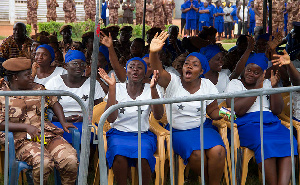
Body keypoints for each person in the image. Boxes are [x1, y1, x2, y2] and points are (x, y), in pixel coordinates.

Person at [150, 31, 226, 184]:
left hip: (203, 128)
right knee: (197, 155)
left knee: (218, 151)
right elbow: (157, 69)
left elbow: (212, 111)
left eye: (194, 65)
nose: (189, 66)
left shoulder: (207, 85)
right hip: (179, 131)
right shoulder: (172, 82)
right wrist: (153, 52)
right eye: (187, 64)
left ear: (202, 71)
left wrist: (227, 113)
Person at [0, 57, 78, 184]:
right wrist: (26, 128)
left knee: (70, 159)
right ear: (15, 78)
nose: (32, 77)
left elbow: (54, 102)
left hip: (46, 134)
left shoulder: (38, 89)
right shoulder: (2, 95)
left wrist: (63, 122)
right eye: (27, 75)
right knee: (43, 162)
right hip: (20, 139)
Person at [225, 53, 298, 185]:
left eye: (256, 72)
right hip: (247, 124)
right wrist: (258, 88)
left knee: (290, 141)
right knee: (265, 143)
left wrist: (274, 88)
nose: (250, 74)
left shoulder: (267, 83)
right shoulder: (235, 84)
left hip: (270, 121)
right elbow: (239, 111)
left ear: (263, 74)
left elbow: (277, 110)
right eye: (248, 70)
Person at [98, 58, 164, 185]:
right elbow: (111, 118)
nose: (135, 70)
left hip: (142, 134)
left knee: (143, 155)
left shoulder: (151, 88)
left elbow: (158, 116)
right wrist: (112, 88)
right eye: (131, 67)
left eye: (139, 67)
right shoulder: (117, 87)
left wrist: (153, 89)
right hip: (119, 133)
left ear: (145, 73)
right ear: (126, 72)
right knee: (119, 154)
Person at [45, 50, 105, 143]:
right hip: (58, 122)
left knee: (92, 135)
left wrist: (86, 118)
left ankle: (87, 157)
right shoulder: (54, 82)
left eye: (82, 64)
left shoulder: (93, 83)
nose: (79, 67)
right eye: (75, 63)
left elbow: (99, 107)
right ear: (66, 66)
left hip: (86, 122)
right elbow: (46, 109)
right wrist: (63, 119)